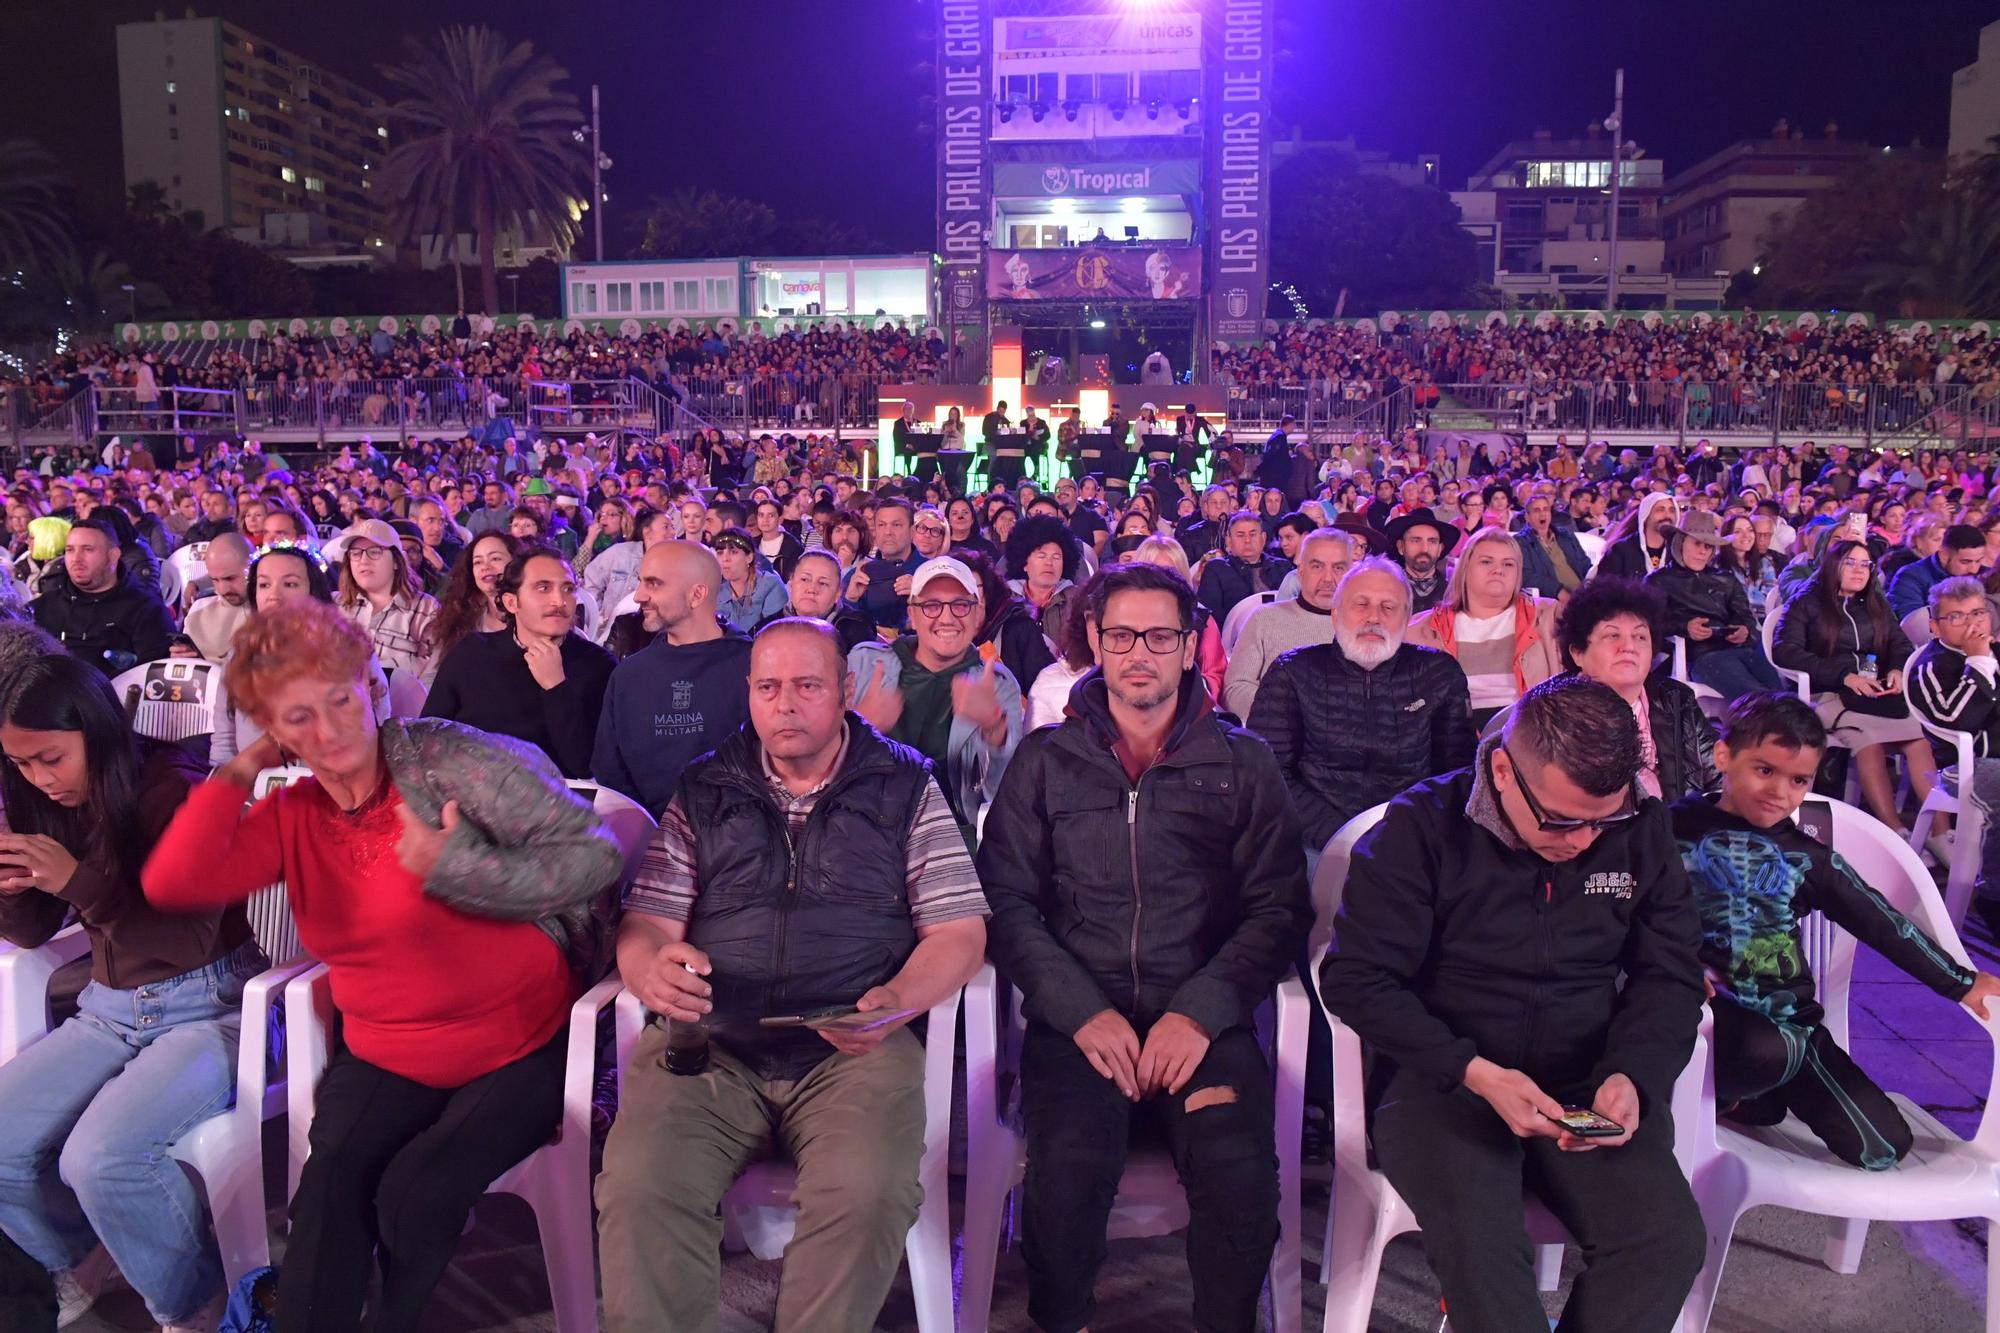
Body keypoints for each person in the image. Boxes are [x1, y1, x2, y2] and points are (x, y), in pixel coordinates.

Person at [144, 598, 623, 1333]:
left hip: (521, 1043)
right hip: (386, 1049)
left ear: (370, 684)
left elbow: (596, 855)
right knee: (329, 1185)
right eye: (296, 717)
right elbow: (172, 882)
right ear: (273, 729)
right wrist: (240, 768)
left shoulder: (453, 761)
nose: (329, 731)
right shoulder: (293, 814)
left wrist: (461, 864)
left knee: (416, 1189)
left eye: (340, 698)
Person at [595, 619, 988, 1333]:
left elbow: (959, 930)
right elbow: (648, 919)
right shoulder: (706, 787)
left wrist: (897, 999)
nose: (786, 704)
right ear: (748, 695)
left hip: (851, 1044)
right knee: (642, 1180)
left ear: (843, 693)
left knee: (868, 1189)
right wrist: (648, 963)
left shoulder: (904, 787)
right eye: (768, 687)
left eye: (807, 686)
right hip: (711, 1042)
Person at [978, 561, 1311, 1333]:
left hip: (1204, 1020)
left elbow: (1277, 907)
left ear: (1191, 646)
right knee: (1064, 1173)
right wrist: (1079, 1011)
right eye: (1121, 634)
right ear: (1095, 640)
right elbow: (1006, 902)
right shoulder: (1046, 760)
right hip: (1082, 1019)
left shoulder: (1242, 762)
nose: (1139, 653)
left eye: (1160, 636)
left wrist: (1198, 1011)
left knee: (1238, 1174)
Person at [1320, 675, 1707, 1333]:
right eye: (1560, 819)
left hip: (1585, 1075)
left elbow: (1669, 974)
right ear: (1501, 769)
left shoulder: (1641, 826)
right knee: (1484, 1254)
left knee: (1664, 1241)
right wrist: (1472, 1069)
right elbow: (1356, 978)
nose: (1584, 840)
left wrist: (1634, 1072)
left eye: (1602, 819)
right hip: (1445, 1079)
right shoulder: (1420, 827)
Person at [0, 655, 263, 1333]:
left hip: (212, 1004)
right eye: (21, 764)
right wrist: (14, 887)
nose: (38, 778)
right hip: (108, 1007)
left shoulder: (174, 789)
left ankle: (196, 1310)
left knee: (102, 1156)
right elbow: (35, 932)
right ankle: (93, 1257)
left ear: (95, 728)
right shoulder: (47, 796)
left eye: (49, 758)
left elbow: (187, 940)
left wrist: (77, 882)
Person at [1675, 692, 2000, 1167]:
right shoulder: (1670, 828)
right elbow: (1631, 911)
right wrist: (1675, 967)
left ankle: (1755, 1097)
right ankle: (1735, 1093)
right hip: (1707, 1018)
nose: (1781, 792)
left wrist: (1961, 983)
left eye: (1799, 780)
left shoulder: (1809, 857)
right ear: (1724, 755)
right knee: (1763, 1051)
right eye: (1765, 770)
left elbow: (1881, 922)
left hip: (1792, 1023)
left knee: (1883, 1148)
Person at [1249, 558, 1474, 856]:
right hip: (1313, 840)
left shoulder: (1439, 674)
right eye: (1361, 604)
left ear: (1406, 618)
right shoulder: (1292, 672)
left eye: (1388, 607)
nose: (1374, 617)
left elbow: (1456, 774)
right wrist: (1343, 837)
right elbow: (1268, 773)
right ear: (1335, 614)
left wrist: (1403, 833)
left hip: (1410, 841)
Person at [1772, 538, 1940, 840]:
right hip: (1827, 693)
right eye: (1850, 562)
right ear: (1833, 565)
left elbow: (1900, 643)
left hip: (1873, 691)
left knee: (1919, 737)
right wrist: (1844, 675)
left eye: (1865, 564)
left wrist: (1897, 669)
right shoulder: (1806, 601)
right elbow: (1785, 650)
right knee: (1869, 738)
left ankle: (1940, 835)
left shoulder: (1874, 603)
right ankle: (1895, 831)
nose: (1859, 571)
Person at [849, 556, 1022, 842]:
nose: (946, 617)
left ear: (977, 614)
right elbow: (822, 767)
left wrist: (994, 729)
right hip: (865, 827)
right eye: (931, 606)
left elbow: (1003, 797)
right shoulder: (865, 663)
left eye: (960, 605)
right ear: (912, 615)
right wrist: (861, 727)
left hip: (952, 834)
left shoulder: (999, 685)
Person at [422, 545, 615, 779]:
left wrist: (556, 688)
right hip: (470, 791)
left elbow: (583, 766)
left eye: (568, 589)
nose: (559, 600)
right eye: (543, 588)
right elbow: (429, 737)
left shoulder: (597, 665)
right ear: (512, 603)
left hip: (557, 803)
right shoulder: (472, 653)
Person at [593, 541, 753, 817]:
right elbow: (610, 773)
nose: (639, 596)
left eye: (654, 584)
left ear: (697, 594)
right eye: (641, 582)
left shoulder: (755, 665)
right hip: (652, 844)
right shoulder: (628, 676)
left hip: (744, 842)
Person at [1555, 576, 1717, 800]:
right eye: (1612, 635)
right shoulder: (1552, 713)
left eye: (1640, 636)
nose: (1629, 647)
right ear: (1578, 653)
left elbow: (1720, 778)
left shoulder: (1676, 699)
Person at [1907, 576, 2000, 935]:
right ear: (1936, 626)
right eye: (1958, 616)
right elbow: (1958, 720)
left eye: (1978, 612)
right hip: (1964, 766)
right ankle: (1993, 897)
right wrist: (1978, 665)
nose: (1973, 623)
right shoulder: (1931, 666)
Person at [1406, 525, 1563, 731]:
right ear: (1465, 569)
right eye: (1486, 561)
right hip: (1452, 735)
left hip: (1532, 731)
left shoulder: (1549, 617)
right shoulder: (1420, 630)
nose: (1498, 570)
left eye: (1508, 564)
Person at [1648, 509, 1782, 701]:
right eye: (1697, 544)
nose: (1703, 551)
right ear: (1679, 542)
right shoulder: (1658, 581)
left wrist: (1744, 629)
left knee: (1783, 696)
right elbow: (1649, 623)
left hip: (1744, 648)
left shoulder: (1724, 577)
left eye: (1709, 546)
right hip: (1703, 655)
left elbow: (1745, 614)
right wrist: (1685, 628)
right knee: (1759, 699)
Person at [1221, 527, 1349, 720]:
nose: (1328, 579)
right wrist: (1285, 716)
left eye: (1339, 568)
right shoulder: (1264, 619)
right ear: (1300, 571)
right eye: (1317, 566)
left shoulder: (1365, 627)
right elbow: (1235, 687)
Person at [31, 517, 176, 674]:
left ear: (113, 555)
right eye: (70, 550)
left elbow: (153, 674)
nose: (76, 558)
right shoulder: (43, 607)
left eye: (88, 549)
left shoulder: (145, 609)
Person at [335, 519, 440, 687]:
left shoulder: (426, 609)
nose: (363, 560)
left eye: (375, 551)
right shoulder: (335, 606)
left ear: (397, 561)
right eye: (356, 553)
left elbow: (433, 679)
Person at [431, 531, 521, 661]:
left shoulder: (531, 616)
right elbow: (434, 671)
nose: (485, 567)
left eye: (495, 558)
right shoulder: (460, 617)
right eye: (478, 562)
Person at [845, 497, 924, 634]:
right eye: (881, 525)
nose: (888, 532)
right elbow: (841, 632)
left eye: (896, 525)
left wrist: (923, 596)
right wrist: (851, 599)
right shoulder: (858, 575)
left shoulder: (932, 572)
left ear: (912, 532)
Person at [1196, 509, 1288, 623]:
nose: (1247, 540)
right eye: (1240, 535)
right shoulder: (1216, 569)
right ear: (1229, 540)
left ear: (1263, 538)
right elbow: (1210, 618)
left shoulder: (1282, 567)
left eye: (1253, 534)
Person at [1004, 514, 1080, 650]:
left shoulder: (1076, 600)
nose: (1049, 563)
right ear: (1024, 563)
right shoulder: (1005, 599)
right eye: (1041, 556)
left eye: (1056, 557)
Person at [775, 548, 875, 651]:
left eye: (823, 583)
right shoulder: (769, 627)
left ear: (838, 593)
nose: (812, 589)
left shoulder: (857, 629)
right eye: (804, 579)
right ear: (791, 584)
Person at [1887, 522, 1986, 621]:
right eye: (1965, 562)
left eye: (1978, 561)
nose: (1974, 569)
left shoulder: (1984, 574)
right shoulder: (1910, 576)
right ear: (1944, 555)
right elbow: (1912, 624)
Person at [181, 531, 253, 662]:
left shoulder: (271, 613)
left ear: (253, 568)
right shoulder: (198, 611)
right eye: (214, 580)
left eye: (230, 578)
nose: (222, 589)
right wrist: (181, 659)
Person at [711, 526, 788, 633]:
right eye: (720, 553)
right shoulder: (717, 591)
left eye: (733, 552)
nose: (725, 559)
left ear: (749, 557)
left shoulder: (770, 586)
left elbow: (775, 632)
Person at [1383, 507, 1459, 615]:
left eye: (1432, 541)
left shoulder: (1455, 595)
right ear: (1401, 547)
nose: (1424, 549)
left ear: (1440, 549)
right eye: (1415, 541)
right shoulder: (1384, 590)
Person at [1516, 493, 1592, 598]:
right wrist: (1558, 591)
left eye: (1546, 509)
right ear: (1527, 517)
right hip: (1554, 598)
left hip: (1583, 593)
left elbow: (1585, 563)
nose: (1543, 514)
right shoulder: (1521, 542)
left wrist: (1592, 583)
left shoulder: (1566, 536)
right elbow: (1527, 576)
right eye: (1537, 510)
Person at [1595, 491, 1680, 579]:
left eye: (1672, 510)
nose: (1667, 515)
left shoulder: (1678, 551)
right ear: (1646, 515)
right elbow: (1604, 587)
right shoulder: (1621, 550)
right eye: (1660, 510)